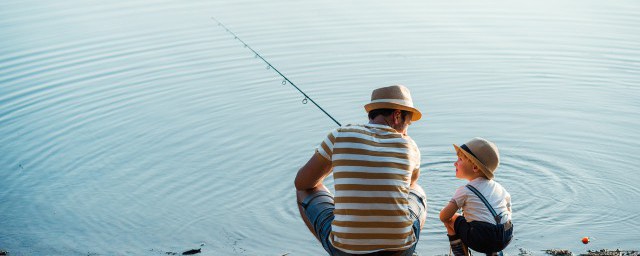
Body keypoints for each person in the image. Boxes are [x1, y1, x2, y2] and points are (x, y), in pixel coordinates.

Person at [294, 85, 427, 256]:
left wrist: (336, 162)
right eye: (408, 124)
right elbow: (410, 184)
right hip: (400, 249)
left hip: (346, 250)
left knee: (304, 190)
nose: (407, 130)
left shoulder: (339, 135)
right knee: (418, 191)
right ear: (397, 115)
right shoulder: (410, 146)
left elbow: (302, 182)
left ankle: (338, 244)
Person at [439, 138, 513, 256]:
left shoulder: (465, 190)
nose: (455, 163)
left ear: (475, 168)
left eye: (460, 159)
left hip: (482, 238)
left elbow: (443, 216)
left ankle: (461, 254)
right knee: (492, 222)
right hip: (506, 234)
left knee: (452, 219)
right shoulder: (500, 188)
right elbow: (508, 211)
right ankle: (495, 253)